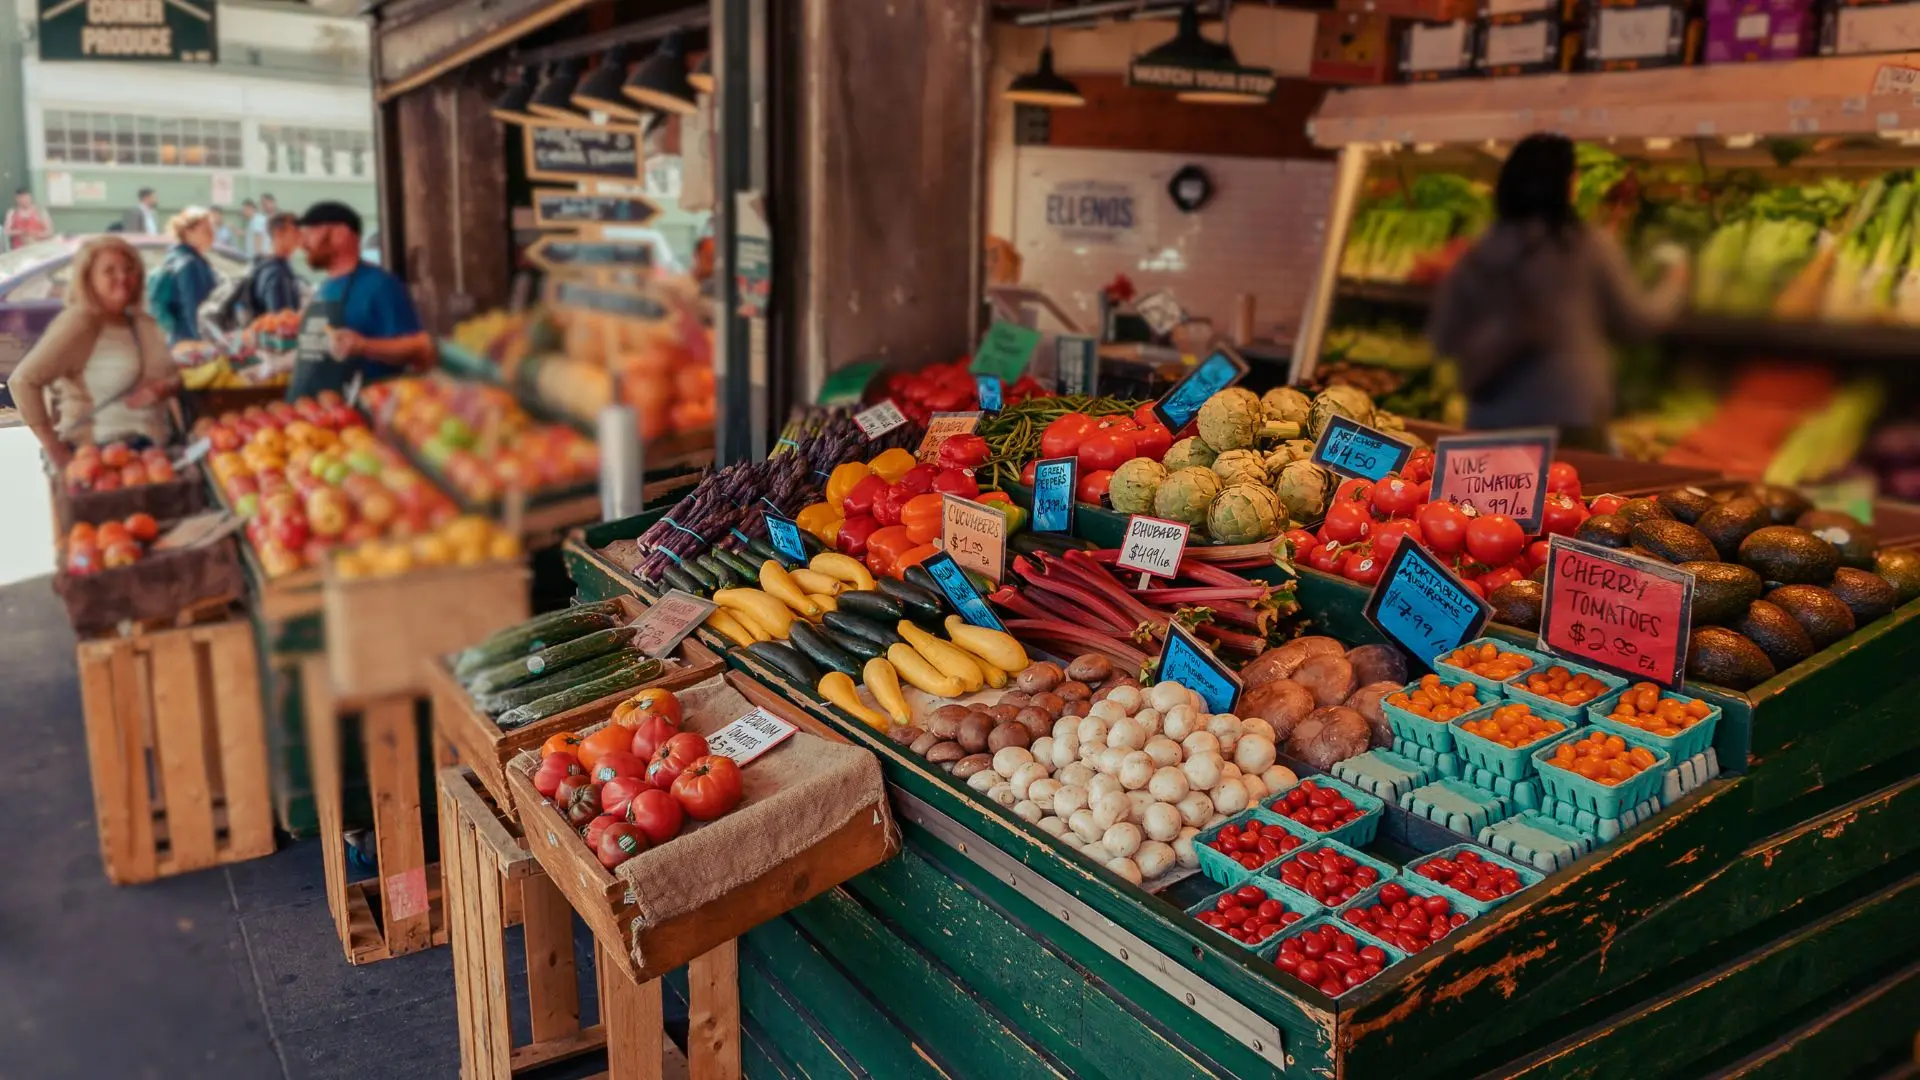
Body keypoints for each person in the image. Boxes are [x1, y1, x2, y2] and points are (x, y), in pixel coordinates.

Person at [1427, 133, 1688, 448]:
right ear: (1568, 185)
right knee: (1571, 496)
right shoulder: (1589, 246)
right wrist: (1676, 281)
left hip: (1490, 416)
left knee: (1491, 499)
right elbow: (1637, 321)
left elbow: (1442, 338)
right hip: (1569, 417)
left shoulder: (1482, 250)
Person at [12, 236, 176, 465]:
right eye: (109, 271)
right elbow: (23, 381)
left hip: (149, 452)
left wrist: (162, 387)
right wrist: (54, 449)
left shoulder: (138, 320)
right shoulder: (81, 322)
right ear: (88, 278)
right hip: (100, 456)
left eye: (129, 269)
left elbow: (166, 373)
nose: (123, 277)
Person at [288, 200, 432, 401]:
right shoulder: (325, 288)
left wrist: (365, 346)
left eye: (312, 232)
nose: (303, 243)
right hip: (307, 420)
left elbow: (421, 349)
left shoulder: (380, 285)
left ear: (341, 234)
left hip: (358, 418)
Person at [149, 207, 219, 346]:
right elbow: (194, 312)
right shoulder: (190, 264)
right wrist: (206, 347)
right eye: (206, 230)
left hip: (178, 342)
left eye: (212, 229)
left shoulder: (175, 259)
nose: (212, 234)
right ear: (188, 232)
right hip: (192, 347)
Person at [248, 193, 277, 258]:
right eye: (263, 204)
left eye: (267, 203)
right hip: (265, 255)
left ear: (273, 202)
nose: (265, 206)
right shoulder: (262, 219)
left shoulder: (280, 218)